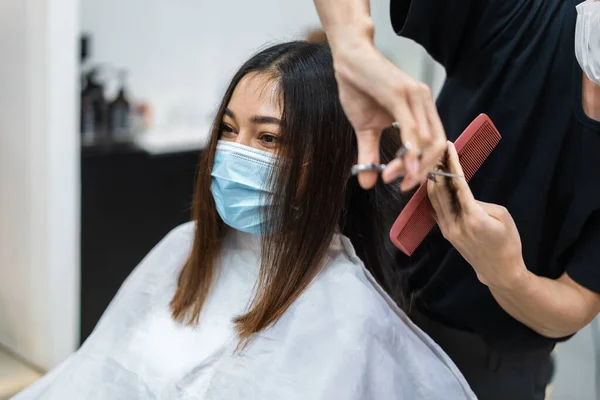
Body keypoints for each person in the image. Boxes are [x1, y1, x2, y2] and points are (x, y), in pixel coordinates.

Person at [12, 41, 476, 400]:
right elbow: (92, 376)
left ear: (334, 159)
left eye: (269, 137)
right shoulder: (184, 248)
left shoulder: (345, 311)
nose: (236, 152)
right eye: (229, 130)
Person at [313, 0, 600, 399]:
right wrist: (351, 47)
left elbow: (580, 299)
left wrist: (505, 274)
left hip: (494, 369)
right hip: (372, 299)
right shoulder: (527, 14)